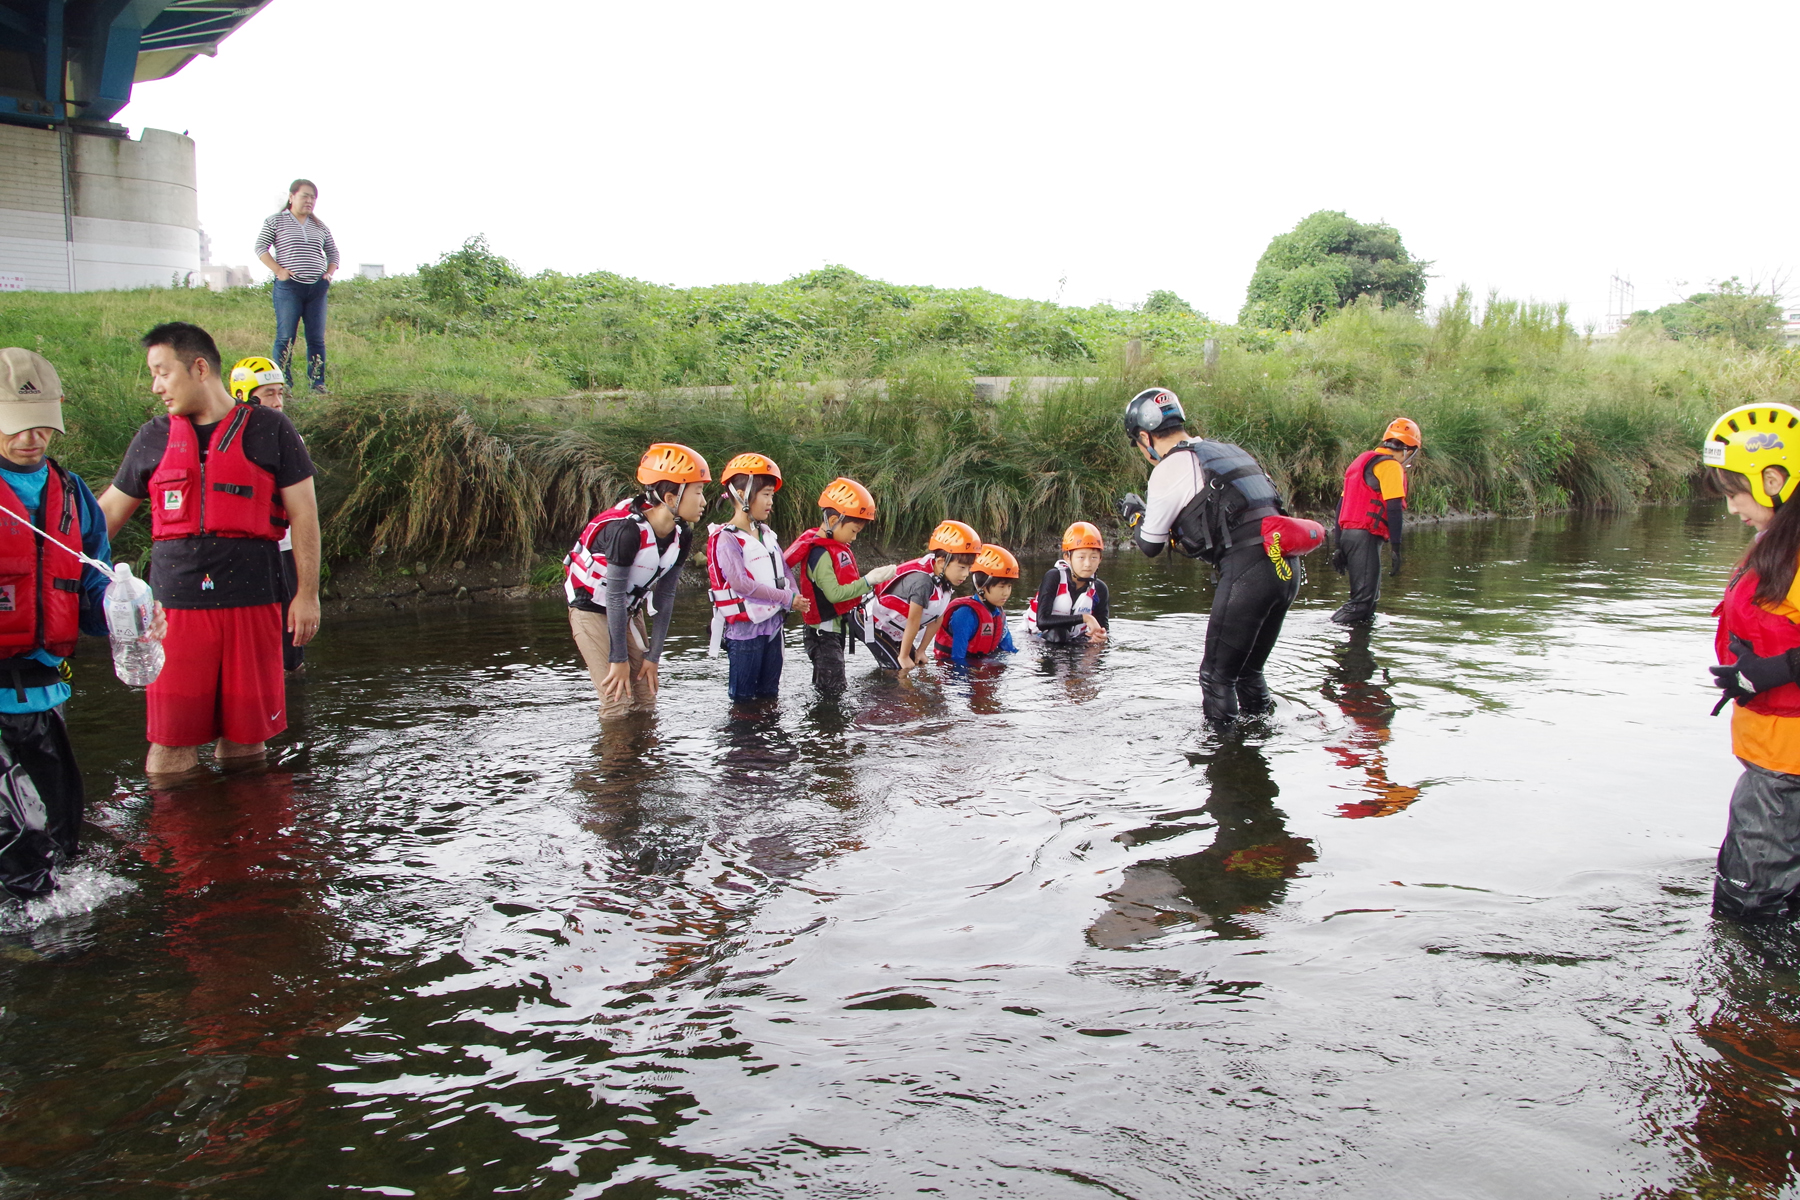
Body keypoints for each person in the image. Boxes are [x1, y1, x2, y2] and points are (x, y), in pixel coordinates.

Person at [98, 323, 321, 778]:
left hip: (255, 601)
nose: (156, 386)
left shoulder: (272, 429)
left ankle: (249, 841)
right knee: (170, 750)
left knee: (246, 744)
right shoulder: (153, 437)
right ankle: (183, 844)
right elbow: (102, 521)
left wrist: (307, 594)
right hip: (174, 609)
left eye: (163, 373)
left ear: (199, 368)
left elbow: (305, 516)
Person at [1115, 387, 1322, 726]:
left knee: (1216, 678)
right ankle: (1258, 746)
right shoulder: (1226, 451)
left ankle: (1222, 758)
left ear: (1143, 436)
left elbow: (1151, 545)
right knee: (1248, 672)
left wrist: (1136, 515)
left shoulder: (1169, 468)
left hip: (1249, 572)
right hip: (1285, 566)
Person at [0, 349, 116, 899]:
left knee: (64, 837)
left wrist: (123, 612)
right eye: (17, 426)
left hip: (45, 694)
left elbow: (90, 583)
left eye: (42, 424)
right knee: (17, 844)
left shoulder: (72, 495)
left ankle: (63, 953)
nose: (32, 438)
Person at [1701, 403, 1800, 921]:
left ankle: (1754, 998)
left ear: (1773, 479)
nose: (1731, 507)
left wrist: (1774, 670)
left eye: (1733, 493)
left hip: (1787, 767)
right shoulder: (1779, 544)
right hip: (1774, 755)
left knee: (1747, 911)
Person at [564, 442, 709, 720]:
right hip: (591, 610)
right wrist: (617, 659)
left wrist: (654, 656)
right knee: (617, 701)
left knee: (645, 698)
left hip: (628, 611)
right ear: (670, 498)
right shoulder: (627, 531)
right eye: (698, 492)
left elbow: (665, 597)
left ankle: (645, 763)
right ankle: (616, 763)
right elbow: (614, 596)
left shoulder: (682, 533)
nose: (703, 501)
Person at [705, 452, 809, 703]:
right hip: (744, 634)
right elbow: (740, 583)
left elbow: (783, 570)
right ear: (741, 495)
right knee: (743, 702)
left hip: (773, 628)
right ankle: (745, 742)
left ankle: (768, 742)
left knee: (769, 696)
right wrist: (787, 598)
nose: (771, 501)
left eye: (772, 495)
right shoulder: (727, 538)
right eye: (766, 494)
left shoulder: (766, 534)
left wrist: (795, 597)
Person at [784, 477, 897, 696]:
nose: (854, 538)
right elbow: (834, 595)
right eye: (854, 531)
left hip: (833, 631)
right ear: (834, 519)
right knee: (832, 693)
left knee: (830, 688)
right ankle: (827, 727)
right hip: (822, 635)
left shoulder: (834, 547)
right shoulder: (821, 553)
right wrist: (868, 581)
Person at [229, 356, 304, 674]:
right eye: (269, 394)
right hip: (241, 555)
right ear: (244, 396)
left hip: (283, 550)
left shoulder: (289, 437)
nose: (277, 402)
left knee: (291, 649)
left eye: (280, 393)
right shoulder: (224, 438)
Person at [854, 520, 982, 671]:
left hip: (892, 628)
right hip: (867, 620)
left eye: (969, 568)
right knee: (899, 668)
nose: (966, 574)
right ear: (941, 562)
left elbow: (937, 618)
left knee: (917, 663)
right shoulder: (922, 582)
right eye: (961, 568)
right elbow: (913, 620)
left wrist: (921, 651)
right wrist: (903, 656)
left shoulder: (944, 580)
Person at [1330, 418, 1423, 625]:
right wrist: (1397, 548)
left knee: (1369, 605)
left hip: (1348, 535)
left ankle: (1359, 650)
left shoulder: (1361, 461)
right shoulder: (1390, 466)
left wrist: (1338, 545)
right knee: (1361, 603)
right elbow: (1393, 507)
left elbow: (1340, 506)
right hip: (1364, 536)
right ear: (1408, 450)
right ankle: (1323, 635)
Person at [255, 179, 338, 395]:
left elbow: (334, 253)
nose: (309, 201)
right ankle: (283, 383)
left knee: (316, 338)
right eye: (305, 196)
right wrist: (279, 271)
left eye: (313, 197)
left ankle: (317, 383)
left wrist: (329, 273)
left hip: (317, 289)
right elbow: (260, 247)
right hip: (289, 287)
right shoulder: (276, 221)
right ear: (292, 197)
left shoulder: (320, 226)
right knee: (286, 337)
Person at [1023, 521, 1110, 644]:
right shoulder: (1054, 577)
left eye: (1094, 557)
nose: (1088, 564)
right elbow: (1042, 621)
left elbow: (1103, 628)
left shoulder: (1100, 589)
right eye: (1081, 557)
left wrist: (1101, 637)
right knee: (1058, 634)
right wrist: (1085, 618)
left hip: (1074, 640)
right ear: (1067, 557)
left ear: (1100, 559)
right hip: (1037, 639)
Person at [935, 543, 1019, 662]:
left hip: (983, 664)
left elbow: (1009, 649)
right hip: (958, 669)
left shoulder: (998, 613)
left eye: (1009, 587)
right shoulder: (964, 615)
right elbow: (957, 658)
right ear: (981, 586)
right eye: (1001, 587)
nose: (1006, 593)